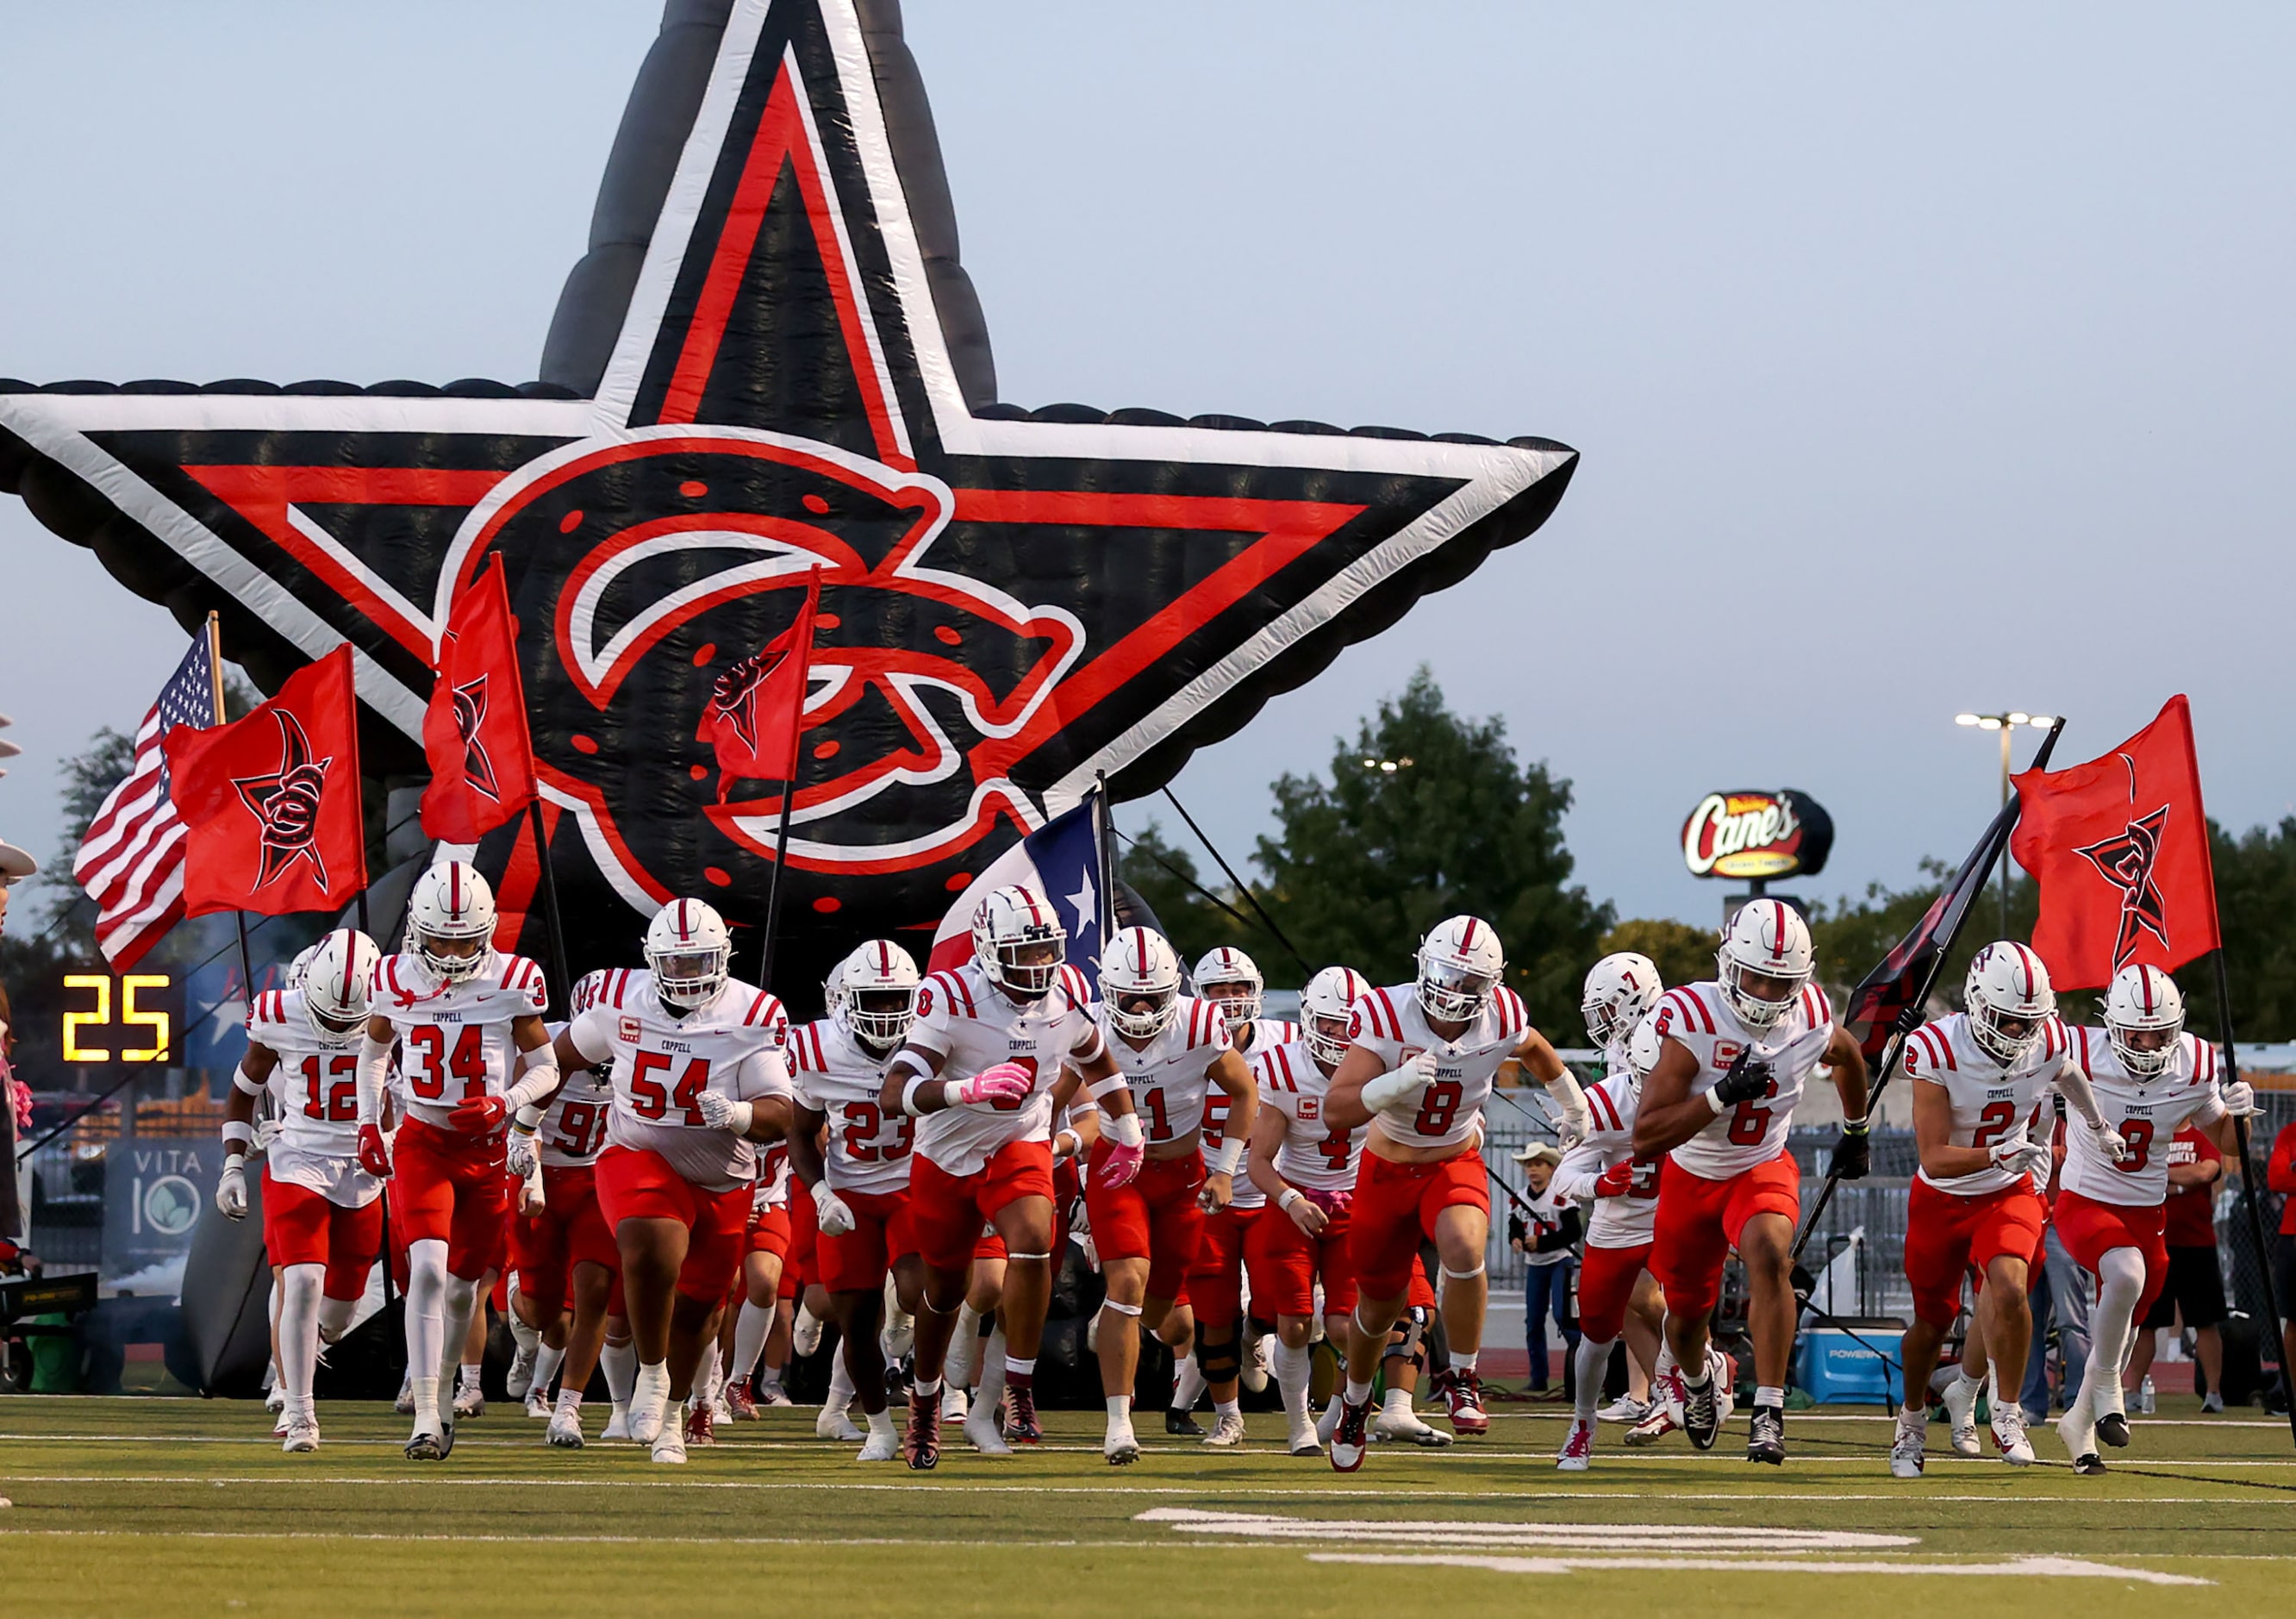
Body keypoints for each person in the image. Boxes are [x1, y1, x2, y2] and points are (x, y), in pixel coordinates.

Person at [1322, 915, 1592, 1471]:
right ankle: (1354, 1401)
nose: (1455, 991)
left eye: (1471, 982)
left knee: (1466, 1250)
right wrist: (1394, 1082)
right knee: (1376, 1309)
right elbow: (1336, 1109)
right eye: (1447, 974)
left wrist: (1574, 1104)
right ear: (1424, 965)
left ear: (1490, 985)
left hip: (1452, 1159)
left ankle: (1463, 1377)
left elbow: (1536, 1049)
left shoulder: (1503, 1014)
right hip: (1386, 1169)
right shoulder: (1383, 1012)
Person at [881, 885, 1135, 1470]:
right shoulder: (949, 994)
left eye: (1049, 950)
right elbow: (896, 1093)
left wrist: (1128, 1127)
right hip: (946, 1155)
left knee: (1032, 1241)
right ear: (988, 951)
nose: (1042, 965)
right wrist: (960, 1090)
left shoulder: (1068, 992)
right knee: (941, 1294)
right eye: (1027, 953)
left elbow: (1096, 1057)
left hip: (1017, 1141)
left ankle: (1018, 1382)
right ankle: (923, 1403)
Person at [550, 897, 795, 1464]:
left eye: (700, 961)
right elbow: (556, 1058)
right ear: (653, 960)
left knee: (702, 1313)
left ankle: (674, 1417)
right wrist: (524, 1121)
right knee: (650, 1242)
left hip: (723, 1178)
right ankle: (653, 1375)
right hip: (638, 1151)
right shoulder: (618, 1002)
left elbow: (781, 1109)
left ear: (724, 957)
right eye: (678, 963)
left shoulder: (752, 1012)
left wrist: (738, 1115)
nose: (689, 975)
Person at [1631, 898, 1870, 1465]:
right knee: (1685, 1320)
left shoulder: (1809, 1012)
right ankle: (1698, 1381)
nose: (1764, 993)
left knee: (1769, 1256)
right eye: (1755, 977)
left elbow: (1850, 1053)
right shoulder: (1690, 1015)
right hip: (1693, 1173)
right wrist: (1720, 1094)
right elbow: (1647, 1136)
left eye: (1778, 982)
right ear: (1728, 964)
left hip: (1760, 1164)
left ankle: (1768, 1409)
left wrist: (1856, 1129)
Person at [1887, 943, 2118, 1476]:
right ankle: (1912, 1421)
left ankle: (2008, 1413)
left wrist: (2098, 1124)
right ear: (1976, 1005)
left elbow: (2067, 1071)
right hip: (1944, 1195)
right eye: (2006, 1020)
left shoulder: (2050, 1038)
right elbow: (1935, 1157)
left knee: (2011, 1288)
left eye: (2026, 1022)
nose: (2018, 1033)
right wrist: (1996, 1151)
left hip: (2007, 1188)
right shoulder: (1937, 1048)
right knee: (1930, 1322)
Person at [358, 862, 558, 1461]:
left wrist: (506, 1101)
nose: (450, 951)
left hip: (487, 1150)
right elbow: (373, 1052)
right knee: (425, 1269)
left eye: (464, 939)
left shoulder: (513, 980)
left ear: (487, 931)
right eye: (440, 938)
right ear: (418, 931)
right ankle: (423, 1413)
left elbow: (547, 1068)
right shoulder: (392, 977)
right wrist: (371, 1121)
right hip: (423, 1140)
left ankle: (443, 1390)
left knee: (464, 1292)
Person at [1058, 927, 1255, 1464]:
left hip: (1184, 1173)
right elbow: (1051, 1092)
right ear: (1108, 990)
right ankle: (1119, 1425)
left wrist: (1226, 1170)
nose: (1142, 1009)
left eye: (1154, 996)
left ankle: (1118, 1316)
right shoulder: (1089, 1025)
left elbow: (1244, 1091)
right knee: (1128, 1280)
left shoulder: (1199, 1022)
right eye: (1130, 996)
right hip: (1119, 1170)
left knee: (1165, 1311)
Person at [2054, 964, 2256, 1473]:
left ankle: (2078, 1428)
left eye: (2159, 1033)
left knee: (2122, 1329)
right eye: (2136, 1032)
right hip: (2087, 1197)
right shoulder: (2081, 1049)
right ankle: (2106, 1390)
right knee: (2125, 1275)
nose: (2147, 1044)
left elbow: (2229, 1144)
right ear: (2112, 1025)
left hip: (2148, 1211)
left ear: (2178, 1026)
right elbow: (2028, 1085)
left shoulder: (2194, 1063)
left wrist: (2241, 1115)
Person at [215, 928, 384, 1453]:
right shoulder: (277, 1014)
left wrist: (395, 1139)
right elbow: (243, 1093)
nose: (337, 1029)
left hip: (361, 1171)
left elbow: (408, 1094)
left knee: (336, 1314)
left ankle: (303, 1350)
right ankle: (298, 1410)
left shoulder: (397, 1010)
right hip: (296, 1159)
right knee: (304, 1280)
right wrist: (233, 1165)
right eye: (328, 1016)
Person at [786, 941, 929, 1461]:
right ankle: (879, 1427)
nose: (890, 1013)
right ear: (847, 1000)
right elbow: (800, 1134)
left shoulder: (932, 1041)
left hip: (913, 1182)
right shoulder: (817, 1049)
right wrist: (822, 1194)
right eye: (876, 999)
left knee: (920, 1290)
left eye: (898, 1000)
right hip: (850, 1191)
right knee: (854, 1320)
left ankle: (929, 1399)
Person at [1550, 952, 1669, 1471]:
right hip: (1618, 1225)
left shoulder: (1690, 1087)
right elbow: (1562, 1179)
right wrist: (1598, 1181)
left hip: (1669, 1218)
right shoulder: (1610, 1097)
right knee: (1597, 1334)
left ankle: (1690, 1384)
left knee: (1682, 1308)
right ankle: (1583, 1423)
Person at [1172, 946, 1295, 1441]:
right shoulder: (1179, 1040)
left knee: (1275, 1304)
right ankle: (1229, 1416)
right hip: (1208, 1197)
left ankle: (1253, 1336)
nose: (1229, 1000)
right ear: (1198, 996)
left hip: (1268, 1193)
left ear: (1256, 991)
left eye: (1239, 988)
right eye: (1218, 990)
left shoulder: (1290, 1040)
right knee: (1212, 1315)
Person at [1246, 966, 1369, 1456]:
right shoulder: (1281, 1068)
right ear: (1308, 1019)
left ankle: (1341, 1412)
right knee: (1294, 1322)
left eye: (1348, 1024)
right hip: (1294, 1201)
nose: (1339, 1035)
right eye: (1330, 1023)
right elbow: (1258, 1161)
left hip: (1355, 1204)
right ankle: (1299, 1425)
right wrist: (1290, 1199)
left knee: (1348, 1326)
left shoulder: (1378, 1065)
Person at [504, 969, 621, 1448]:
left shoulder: (636, 1050)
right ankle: (517, 1302)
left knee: (594, 1292)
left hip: (597, 1176)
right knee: (543, 1314)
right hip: (539, 1172)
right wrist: (529, 1180)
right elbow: (520, 1125)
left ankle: (568, 1410)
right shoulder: (545, 1045)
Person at [2123, 1123, 2227, 1412]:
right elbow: (2133, 1173)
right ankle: (2132, 1391)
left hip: (2197, 1243)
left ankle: (2214, 1394)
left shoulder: (2202, 1135)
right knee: (2147, 1322)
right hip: (2155, 1242)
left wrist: (2162, 1177)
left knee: (2204, 1321)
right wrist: (2183, 1181)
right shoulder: (2153, 1133)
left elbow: (2206, 1171)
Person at [1510, 1144, 1581, 1397]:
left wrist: (1542, 1243)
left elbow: (1573, 1232)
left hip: (1560, 1261)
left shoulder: (1561, 1197)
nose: (1532, 1170)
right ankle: (1538, 1378)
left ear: (1551, 1168)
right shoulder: (1519, 1197)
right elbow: (1515, 1225)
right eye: (1529, 1165)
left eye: (1538, 1164)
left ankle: (1580, 1373)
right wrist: (1515, 1239)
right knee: (1533, 1322)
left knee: (1564, 1317)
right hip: (1535, 1266)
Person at [2269, 1115, 2296, 1410]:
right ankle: (2290, 1391)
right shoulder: (2290, 1134)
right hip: (2292, 1235)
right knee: (2293, 1318)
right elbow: (2277, 1178)